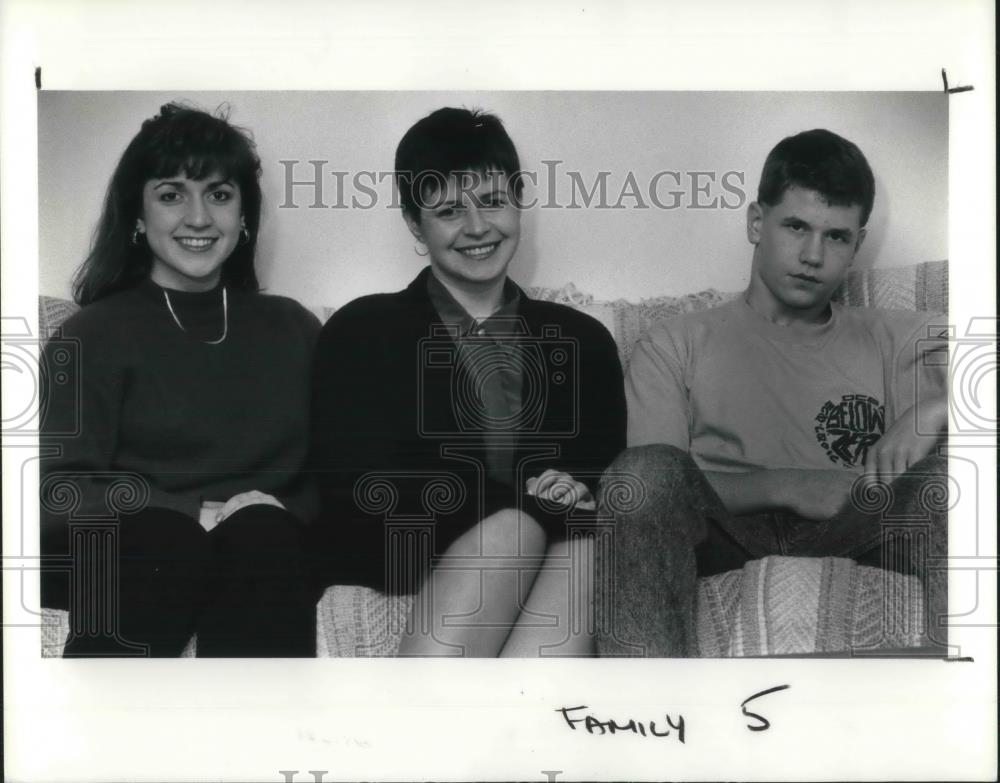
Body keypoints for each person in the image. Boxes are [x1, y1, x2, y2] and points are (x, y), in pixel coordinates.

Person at [599, 129, 949, 656]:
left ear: (857, 243)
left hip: (856, 522)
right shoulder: (675, 340)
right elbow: (655, 484)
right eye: (796, 226)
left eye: (836, 236)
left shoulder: (895, 335)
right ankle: (649, 712)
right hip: (725, 531)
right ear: (756, 223)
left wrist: (934, 408)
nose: (813, 254)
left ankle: (970, 706)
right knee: (641, 474)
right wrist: (787, 483)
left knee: (952, 482)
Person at [310, 107, 626, 656]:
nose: (478, 228)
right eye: (450, 210)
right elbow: (355, 490)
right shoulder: (360, 330)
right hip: (399, 548)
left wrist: (547, 504)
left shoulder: (586, 340)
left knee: (589, 548)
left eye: (493, 201)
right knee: (522, 528)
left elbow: (594, 478)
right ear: (414, 222)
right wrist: (522, 507)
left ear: (518, 200)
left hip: (555, 556)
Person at [40, 103, 320, 657]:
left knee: (263, 535)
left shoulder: (295, 328)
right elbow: (56, 494)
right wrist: (192, 513)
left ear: (244, 216)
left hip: (264, 552)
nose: (198, 217)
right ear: (138, 217)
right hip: (138, 551)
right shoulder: (91, 334)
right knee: (165, 541)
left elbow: (332, 477)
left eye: (219, 194)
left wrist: (271, 510)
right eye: (171, 194)